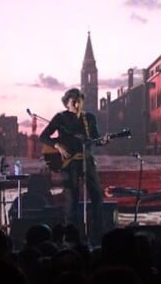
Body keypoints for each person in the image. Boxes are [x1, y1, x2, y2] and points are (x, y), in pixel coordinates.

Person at [39, 88, 109, 246]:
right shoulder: (60, 118)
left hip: (87, 160)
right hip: (69, 163)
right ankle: (71, 240)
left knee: (97, 197)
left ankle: (98, 238)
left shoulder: (89, 118)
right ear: (67, 104)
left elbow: (95, 138)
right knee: (72, 201)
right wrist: (57, 145)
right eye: (73, 102)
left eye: (79, 101)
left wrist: (102, 141)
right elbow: (43, 136)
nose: (77, 104)